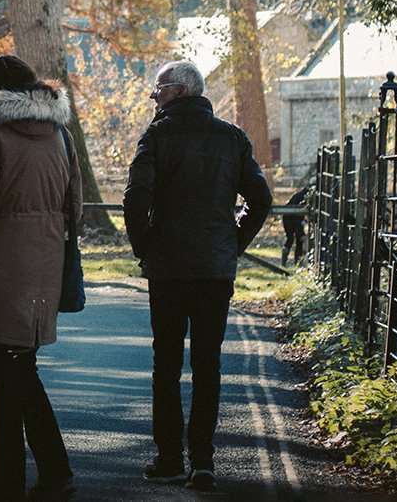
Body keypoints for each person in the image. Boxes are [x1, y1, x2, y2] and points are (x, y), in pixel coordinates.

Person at [122, 60, 272, 492]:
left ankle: (169, 459)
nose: (154, 97)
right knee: (208, 365)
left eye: (158, 89)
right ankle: (202, 462)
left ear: (180, 90)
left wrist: (145, 247)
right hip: (213, 269)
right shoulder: (232, 138)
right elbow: (260, 200)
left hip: (167, 270)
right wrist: (232, 242)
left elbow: (135, 199)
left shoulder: (156, 137)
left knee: (165, 365)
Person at [0, 54, 83, 502]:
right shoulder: (60, 134)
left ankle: (11, 479)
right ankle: (50, 473)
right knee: (21, 369)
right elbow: (77, 204)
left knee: (5, 376)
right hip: (45, 261)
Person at [282, 186, 311, 267]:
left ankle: (293, 263)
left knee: (293, 239)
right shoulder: (305, 196)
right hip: (292, 217)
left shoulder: (300, 195)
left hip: (289, 217)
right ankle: (296, 263)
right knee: (296, 239)